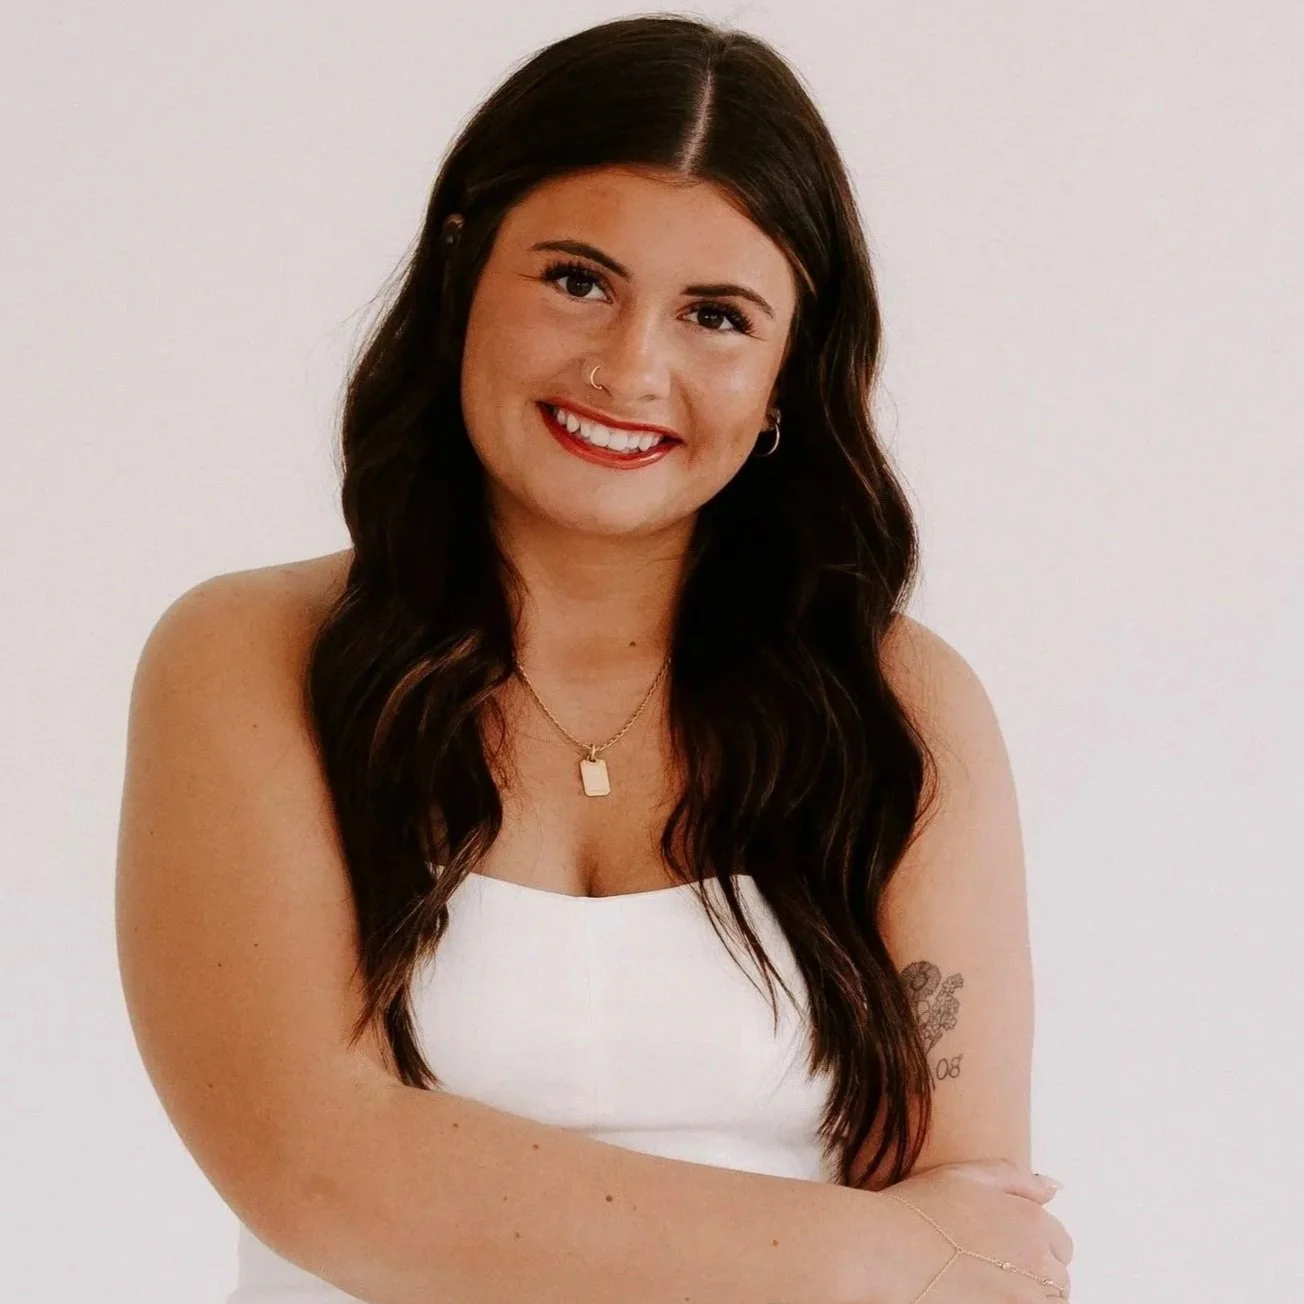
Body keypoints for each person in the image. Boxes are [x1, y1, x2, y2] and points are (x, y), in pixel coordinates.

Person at [115, 15, 1073, 1304]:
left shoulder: (901, 703)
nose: (631, 368)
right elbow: (316, 1174)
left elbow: (981, 1254)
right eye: (577, 279)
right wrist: (868, 1251)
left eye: (717, 316)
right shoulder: (250, 659)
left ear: (792, 365)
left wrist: (928, 1255)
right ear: (462, 265)